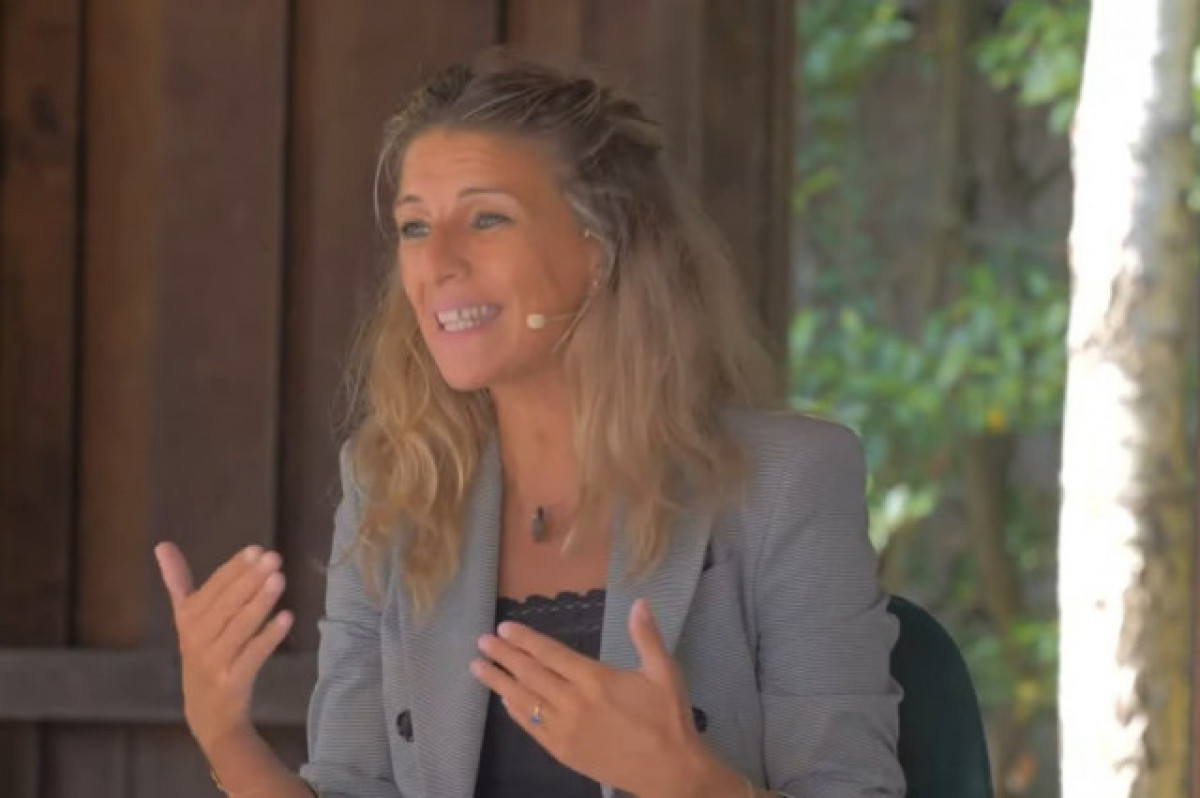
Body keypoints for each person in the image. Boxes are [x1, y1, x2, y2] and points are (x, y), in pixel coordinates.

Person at [155, 50, 904, 798]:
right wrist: (224, 736)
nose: (437, 263)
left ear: (601, 247)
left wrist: (684, 782)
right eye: (414, 227)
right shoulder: (394, 487)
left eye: (487, 218)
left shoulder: (788, 481)